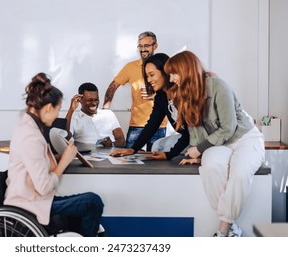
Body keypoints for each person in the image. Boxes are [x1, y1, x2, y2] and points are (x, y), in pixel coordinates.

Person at [164, 51, 265, 237]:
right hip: (220, 144)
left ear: (185, 70)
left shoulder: (219, 87)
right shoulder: (184, 95)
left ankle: (223, 230)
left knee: (240, 174)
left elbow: (229, 128)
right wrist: (197, 154)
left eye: (173, 73)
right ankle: (231, 223)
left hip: (244, 138)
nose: (171, 79)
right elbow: (195, 132)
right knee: (210, 168)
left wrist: (200, 149)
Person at [4, 73, 104, 237]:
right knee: (93, 202)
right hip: (30, 202)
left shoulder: (28, 127)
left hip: (32, 197)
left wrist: (62, 157)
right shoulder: (30, 136)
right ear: (49, 108)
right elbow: (43, 188)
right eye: (58, 110)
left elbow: (35, 162)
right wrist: (63, 161)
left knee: (89, 202)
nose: (58, 116)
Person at [110, 53, 189, 160]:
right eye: (146, 76)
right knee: (158, 146)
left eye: (152, 75)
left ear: (165, 72)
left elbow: (191, 133)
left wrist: (169, 155)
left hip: (197, 138)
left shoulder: (183, 92)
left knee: (164, 148)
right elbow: (152, 125)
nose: (149, 80)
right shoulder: (161, 97)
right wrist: (133, 149)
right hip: (185, 137)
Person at [103, 31, 168, 150]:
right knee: (129, 160)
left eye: (146, 46)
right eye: (140, 46)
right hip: (136, 125)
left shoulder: (164, 65)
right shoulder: (130, 67)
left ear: (155, 46)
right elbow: (112, 86)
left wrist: (156, 95)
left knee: (155, 163)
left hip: (159, 125)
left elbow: (173, 88)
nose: (143, 49)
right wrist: (105, 110)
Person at [66, 82, 126, 148]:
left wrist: (112, 144)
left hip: (112, 155)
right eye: (90, 100)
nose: (94, 103)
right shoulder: (74, 120)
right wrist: (71, 110)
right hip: (88, 156)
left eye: (96, 99)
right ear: (80, 100)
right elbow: (66, 138)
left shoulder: (108, 114)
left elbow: (122, 141)